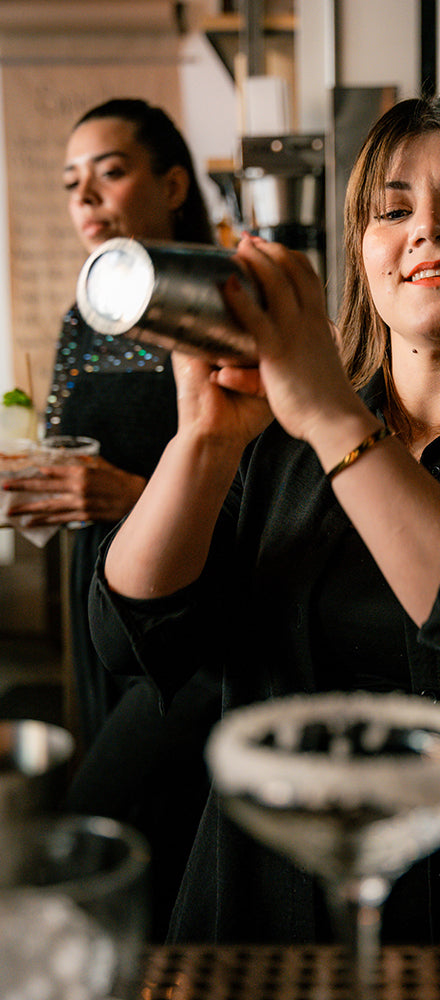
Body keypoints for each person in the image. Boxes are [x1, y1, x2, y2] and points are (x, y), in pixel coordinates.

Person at [88, 96, 440, 945]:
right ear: (364, 257)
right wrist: (203, 442)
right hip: (250, 924)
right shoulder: (277, 443)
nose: (429, 228)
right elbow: (130, 635)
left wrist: (330, 417)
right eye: (393, 211)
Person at [3, 98, 222, 936]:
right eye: (70, 184)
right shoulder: (83, 317)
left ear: (172, 184)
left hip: (198, 620)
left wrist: (134, 497)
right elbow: (66, 454)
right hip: (96, 596)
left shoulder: (223, 304)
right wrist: (33, 486)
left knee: (131, 817)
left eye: (111, 171)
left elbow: (274, 493)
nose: (86, 197)